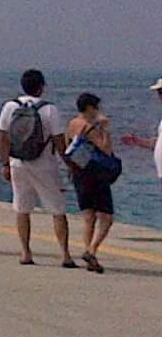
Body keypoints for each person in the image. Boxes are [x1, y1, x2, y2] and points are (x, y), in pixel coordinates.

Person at [0, 70, 73, 269]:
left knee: (22, 209)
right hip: (44, 164)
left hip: (18, 163)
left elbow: (3, 137)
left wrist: (5, 163)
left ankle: (25, 252)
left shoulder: (10, 106)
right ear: (41, 87)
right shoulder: (49, 110)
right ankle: (65, 254)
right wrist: (69, 164)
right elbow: (59, 141)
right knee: (57, 210)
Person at [63, 92, 117, 273]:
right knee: (106, 217)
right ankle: (92, 250)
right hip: (96, 174)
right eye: (96, 108)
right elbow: (107, 149)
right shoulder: (90, 127)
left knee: (88, 216)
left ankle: (89, 254)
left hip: (79, 173)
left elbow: (67, 146)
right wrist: (104, 129)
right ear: (90, 108)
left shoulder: (72, 124)